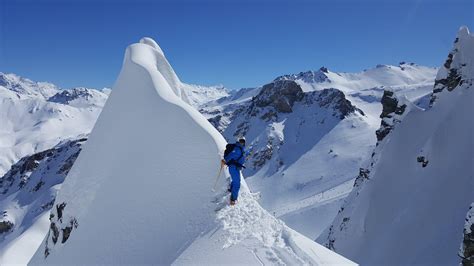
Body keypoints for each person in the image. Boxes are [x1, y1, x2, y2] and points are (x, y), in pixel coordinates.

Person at [222, 137, 246, 205]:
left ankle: (231, 189)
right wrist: (226, 161)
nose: (242, 143)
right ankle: (233, 199)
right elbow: (230, 156)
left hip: (236, 167)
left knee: (236, 180)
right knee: (237, 183)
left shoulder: (240, 149)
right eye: (241, 141)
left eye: (243, 141)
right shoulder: (237, 149)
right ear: (238, 141)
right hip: (233, 167)